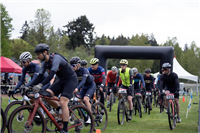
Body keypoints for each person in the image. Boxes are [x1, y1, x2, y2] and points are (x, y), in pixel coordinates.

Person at [23, 44, 78, 133]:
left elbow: (51, 75)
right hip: (61, 80)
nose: (37, 56)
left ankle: (65, 129)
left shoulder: (55, 58)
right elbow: (40, 76)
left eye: (38, 54)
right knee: (45, 94)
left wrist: (40, 85)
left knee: (63, 101)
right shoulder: (44, 63)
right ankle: (59, 109)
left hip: (71, 80)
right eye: (36, 54)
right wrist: (28, 86)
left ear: (45, 52)